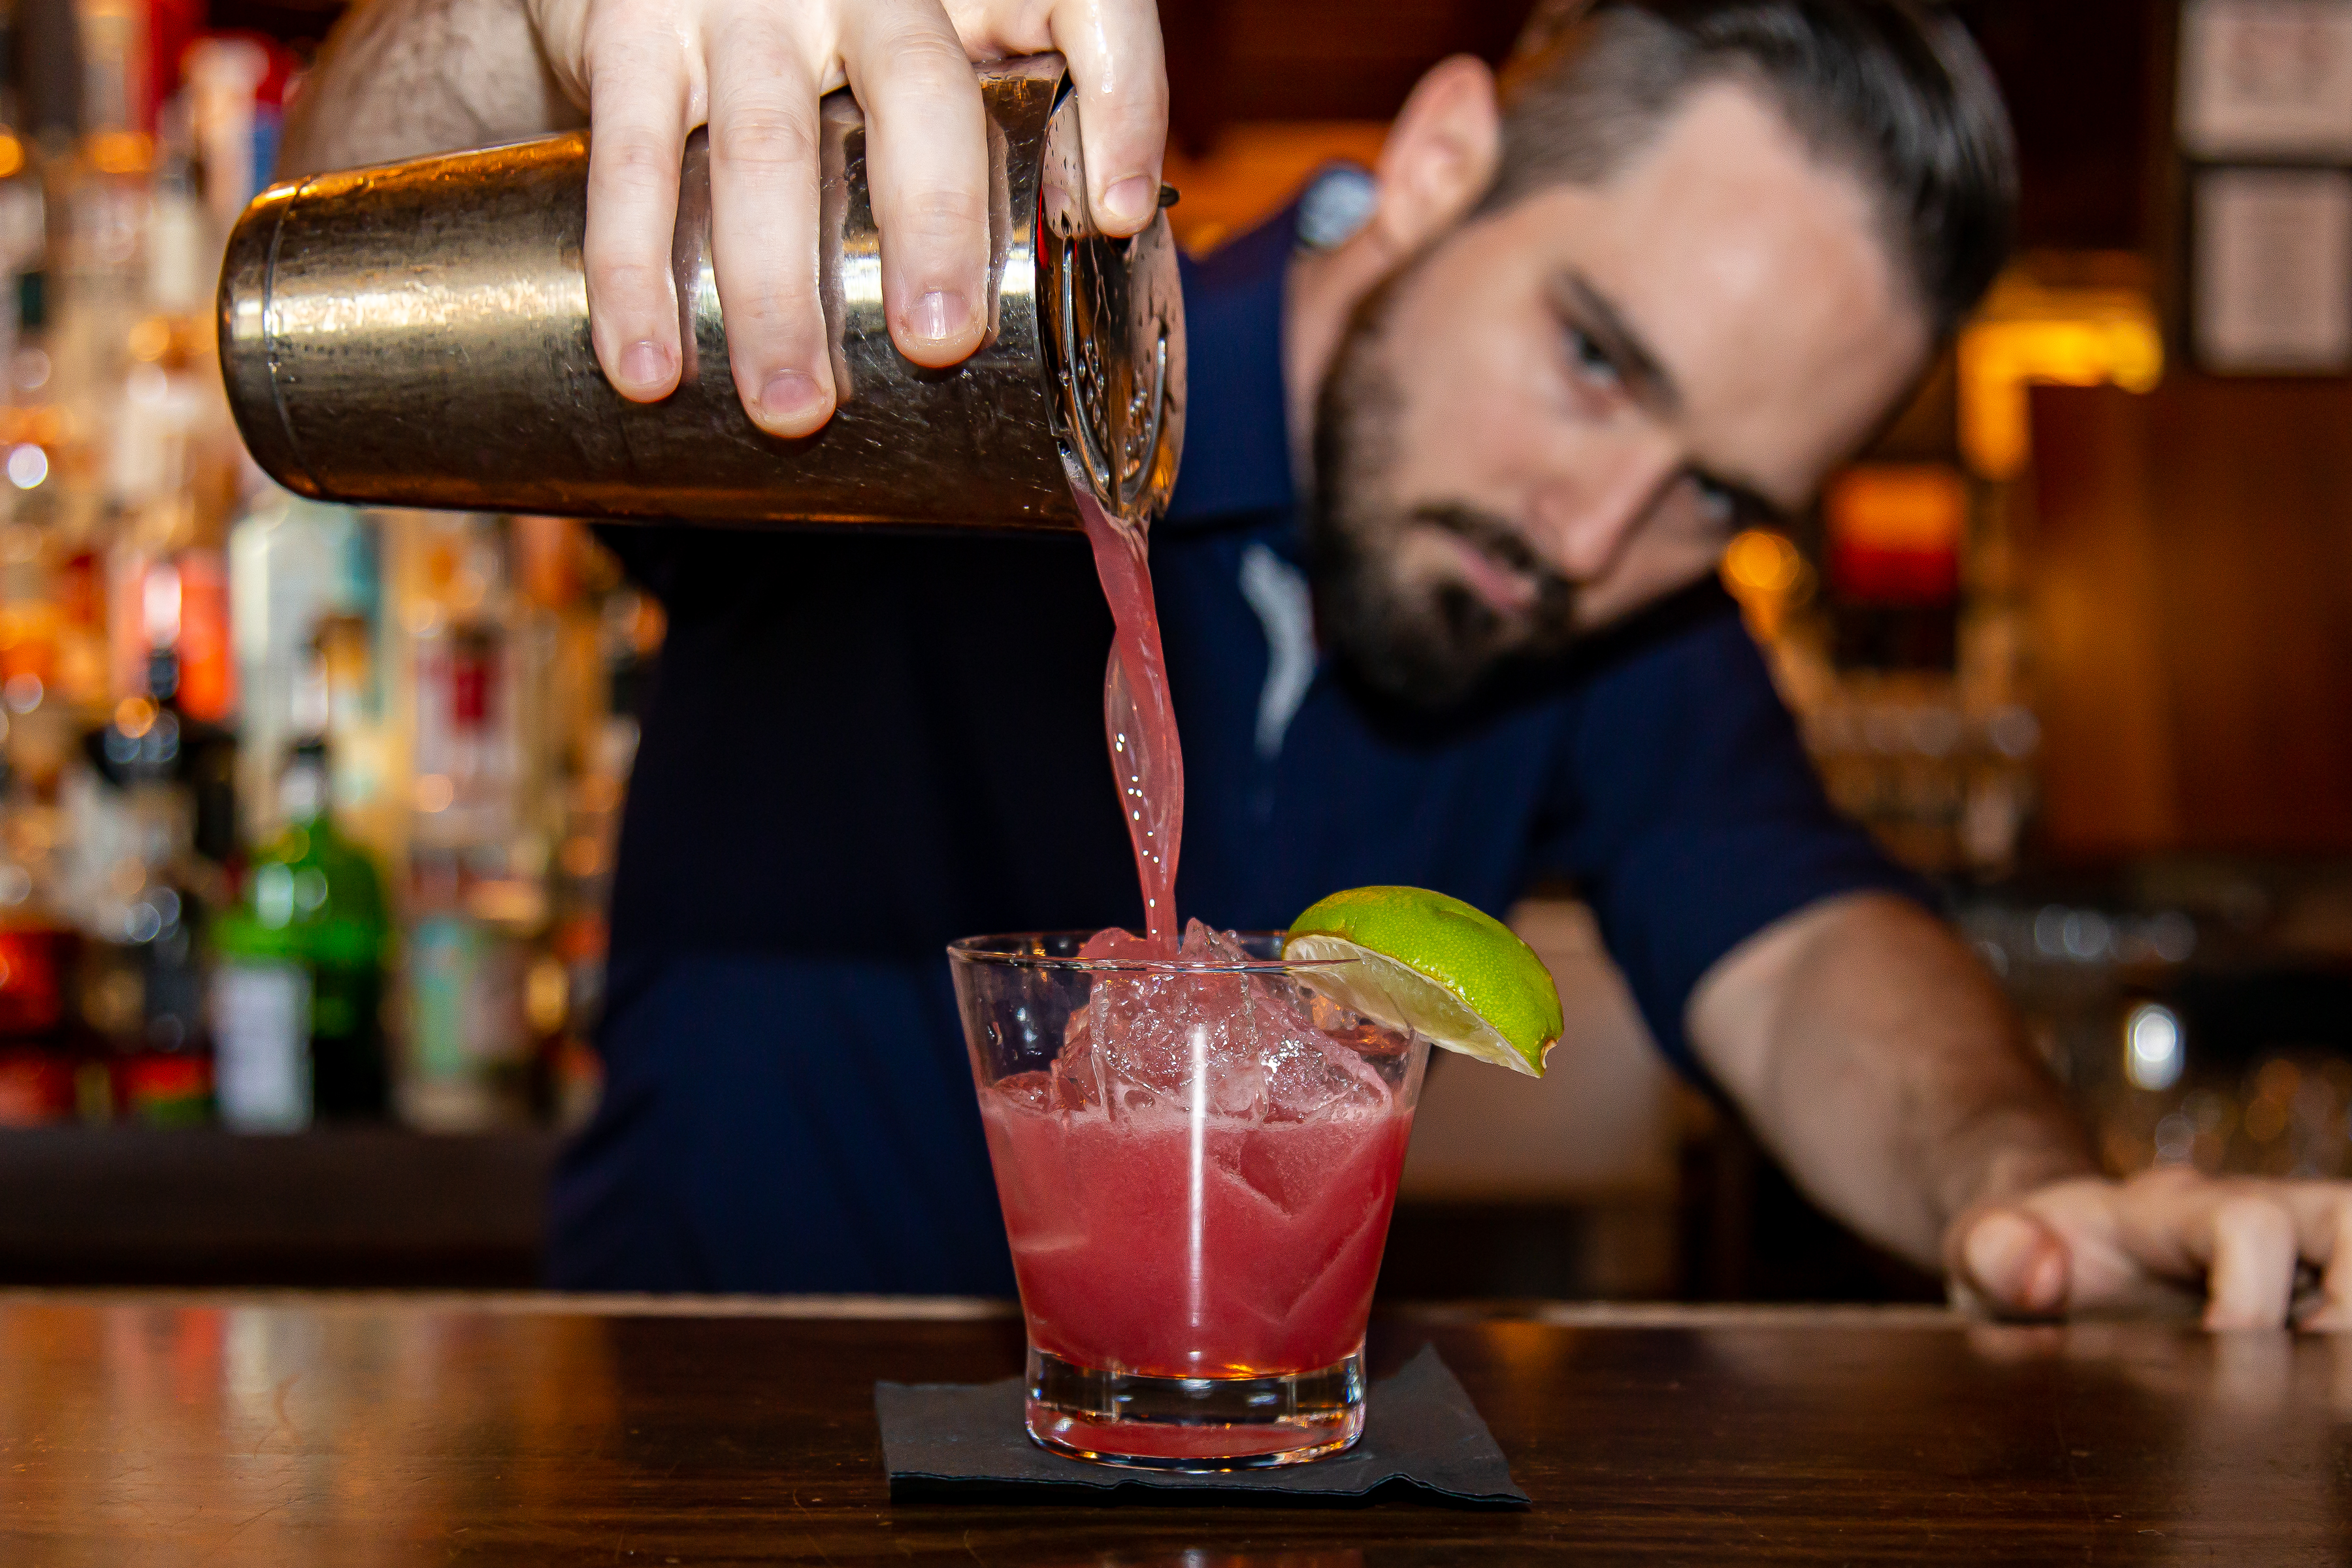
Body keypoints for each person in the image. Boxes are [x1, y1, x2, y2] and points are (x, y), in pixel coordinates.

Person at [284, 0, 2352, 1330]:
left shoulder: (1614, 607)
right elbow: (325, 225)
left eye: (1726, 492)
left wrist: (2034, 1191)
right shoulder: (977, 340)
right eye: (1595, 358)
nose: (1593, 531)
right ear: (1440, 160)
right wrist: (538, 31)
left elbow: (1809, 951)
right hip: (707, 1478)